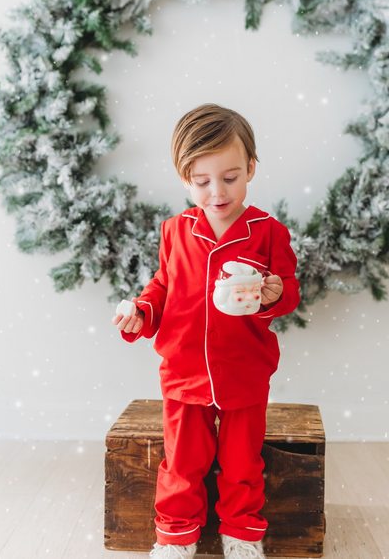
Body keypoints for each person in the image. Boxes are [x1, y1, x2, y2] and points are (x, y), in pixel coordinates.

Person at [112, 103, 301, 559]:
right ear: (184, 178)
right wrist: (141, 312)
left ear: (251, 168)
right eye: (202, 182)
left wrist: (275, 293)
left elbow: (289, 291)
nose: (217, 192)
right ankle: (176, 538)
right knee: (181, 464)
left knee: (242, 465)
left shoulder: (268, 232)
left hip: (245, 371)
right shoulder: (175, 230)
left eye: (230, 178)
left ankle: (242, 536)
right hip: (183, 371)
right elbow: (162, 286)